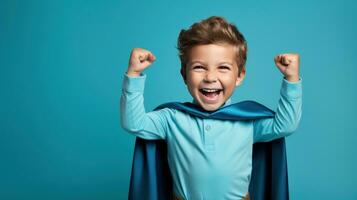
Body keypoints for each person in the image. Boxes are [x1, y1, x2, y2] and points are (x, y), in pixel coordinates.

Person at [120, 16, 302, 200]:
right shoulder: (171, 118)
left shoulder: (248, 122)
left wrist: (291, 79)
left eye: (223, 67)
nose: (210, 77)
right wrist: (134, 75)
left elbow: (285, 125)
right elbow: (134, 124)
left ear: (239, 76)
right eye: (199, 67)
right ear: (184, 75)